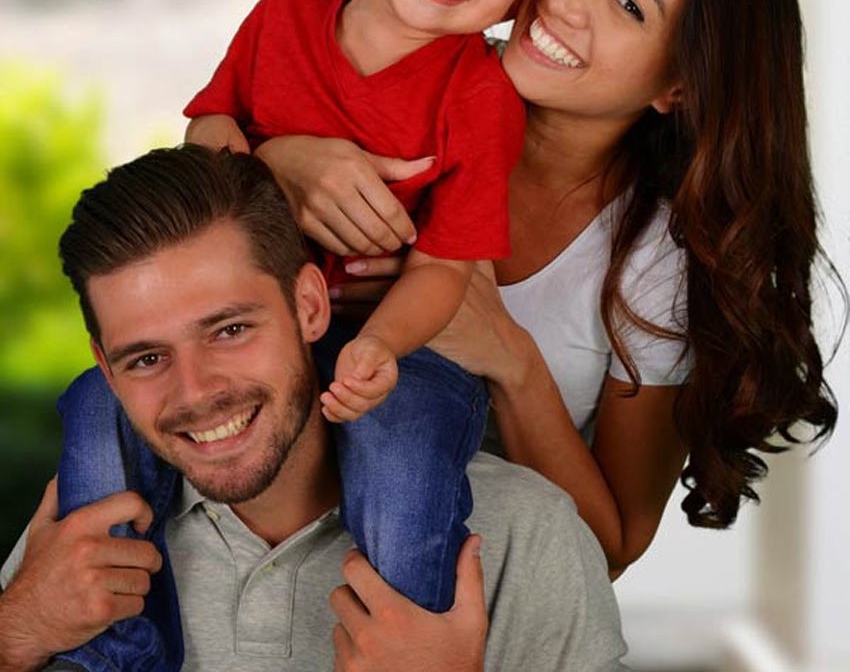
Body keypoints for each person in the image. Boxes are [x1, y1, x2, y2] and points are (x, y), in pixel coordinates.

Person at [53, 0, 593, 617]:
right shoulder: (281, 19)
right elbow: (207, 135)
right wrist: (261, 161)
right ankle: (117, 647)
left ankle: (403, 641)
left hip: (396, 339)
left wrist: (378, 346)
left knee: (404, 453)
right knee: (95, 409)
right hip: (250, 329)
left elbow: (447, 266)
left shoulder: (481, 96)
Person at [261, 0, 843, 576]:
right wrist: (276, 166)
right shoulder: (409, 69)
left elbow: (612, 546)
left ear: (679, 84)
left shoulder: (654, 266)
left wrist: (509, 355)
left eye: (629, 6)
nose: (565, 2)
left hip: (476, 601)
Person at [0, 146, 628, 672]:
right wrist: (17, 631)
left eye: (229, 331)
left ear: (309, 307)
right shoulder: (71, 545)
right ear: (104, 368)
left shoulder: (526, 532)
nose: (194, 392)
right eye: (146, 360)